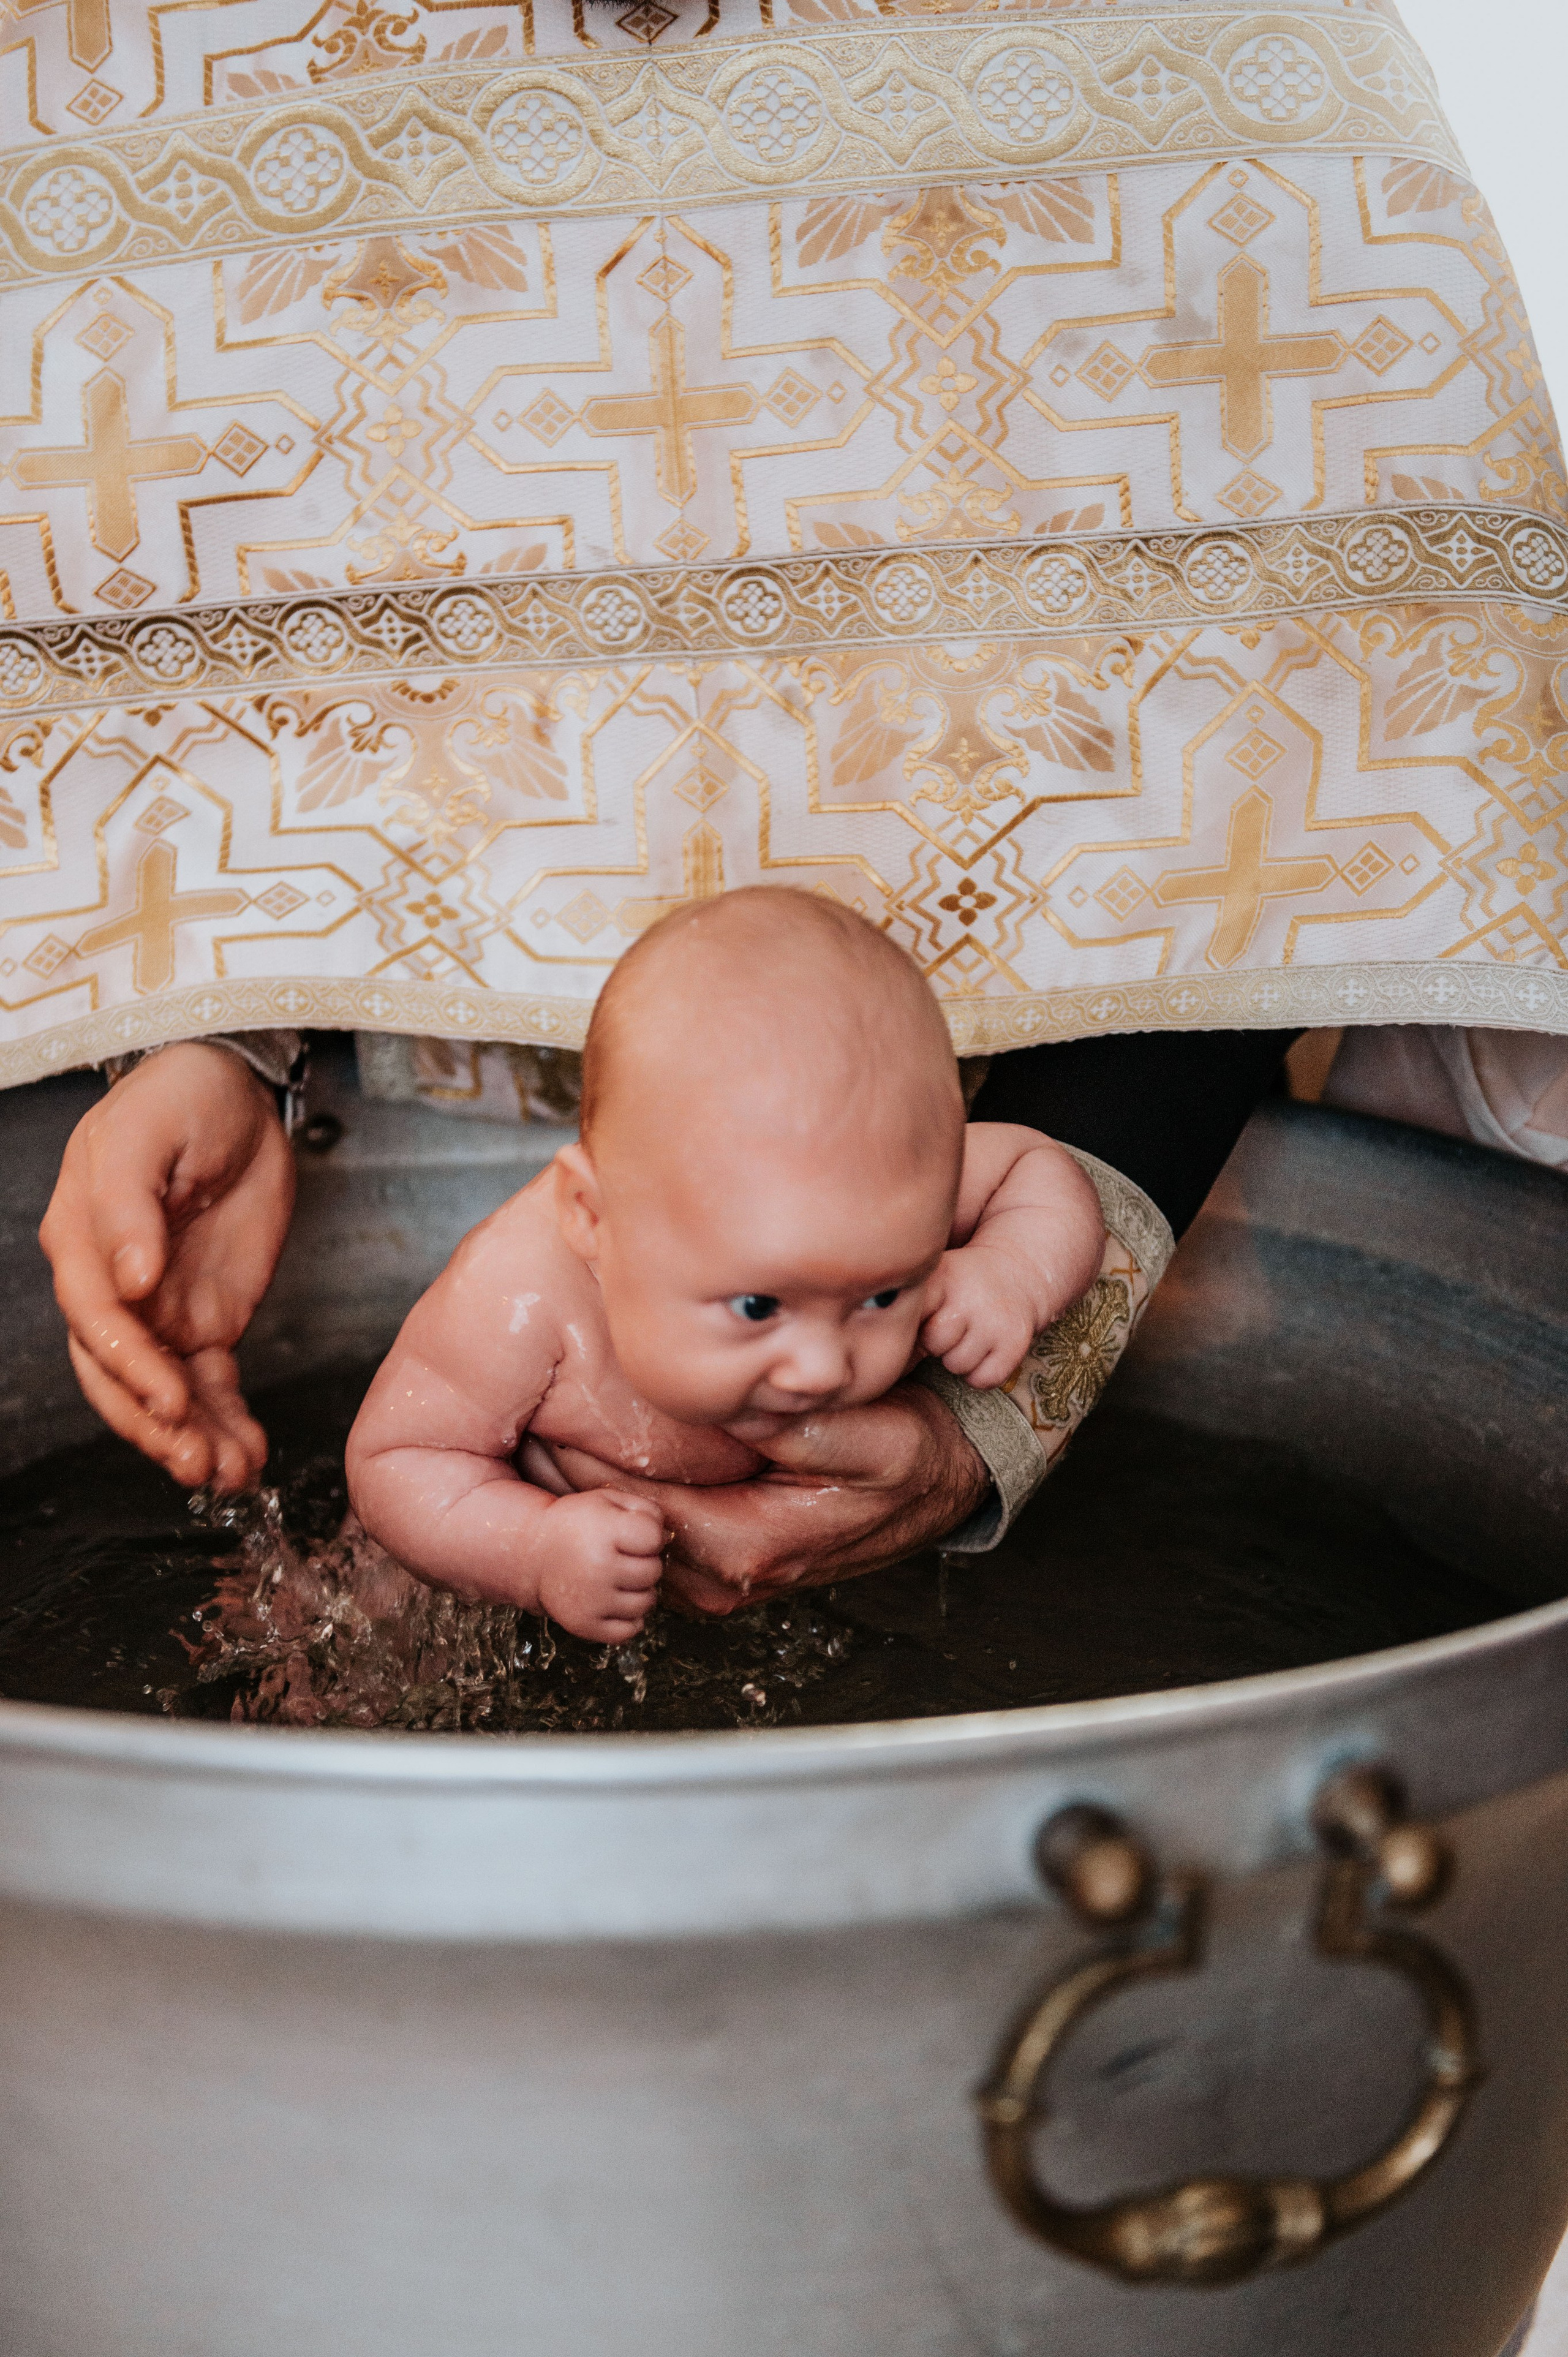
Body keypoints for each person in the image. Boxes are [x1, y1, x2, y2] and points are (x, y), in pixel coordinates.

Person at [15, 0, 1566, 1597]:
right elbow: (196, 599)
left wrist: (1008, 1380)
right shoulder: (187, 50)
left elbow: (1308, 703)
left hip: (1019, 1115)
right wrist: (218, 1028)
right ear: (587, 1217)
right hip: (434, 1170)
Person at [344, 890, 1104, 1634]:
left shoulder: (875, 1182)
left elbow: (1035, 1166)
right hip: (481, 1587)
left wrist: (1014, 1272)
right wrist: (532, 1548)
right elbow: (397, 1459)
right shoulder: (516, 1293)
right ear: (591, 1216)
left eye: (880, 1295)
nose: (821, 1367)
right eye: (758, 1306)